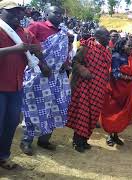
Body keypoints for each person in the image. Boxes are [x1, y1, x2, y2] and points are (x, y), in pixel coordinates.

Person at [20, 6, 71, 156]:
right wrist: (42, 65)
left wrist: (65, 63)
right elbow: (26, 48)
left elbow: (63, 53)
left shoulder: (63, 32)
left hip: (57, 77)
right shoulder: (36, 26)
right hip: (39, 76)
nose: (60, 15)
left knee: (54, 107)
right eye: (56, 12)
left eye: (62, 13)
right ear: (46, 13)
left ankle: (44, 140)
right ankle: (26, 141)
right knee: (33, 108)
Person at [0, 0, 44, 170]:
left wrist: (34, 49)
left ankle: (3, 156)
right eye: (12, 11)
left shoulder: (24, 33)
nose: (18, 15)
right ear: (1, 12)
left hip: (16, 88)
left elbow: (38, 49)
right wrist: (15, 49)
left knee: (11, 124)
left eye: (20, 12)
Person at [66, 28, 111, 153]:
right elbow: (74, 62)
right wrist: (83, 70)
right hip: (85, 88)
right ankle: (77, 142)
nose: (109, 38)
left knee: (93, 115)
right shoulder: (86, 47)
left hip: (99, 90)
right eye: (106, 36)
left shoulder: (107, 52)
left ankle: (85, 140)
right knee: (83, 114)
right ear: (99, 36)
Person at [100, 38, 132, 146]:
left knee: (121, 114)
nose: (131, 49)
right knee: (112, 112)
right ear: (122, 46)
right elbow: (115, 74)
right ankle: (109, 135)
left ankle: (116, 135)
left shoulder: (131, 58)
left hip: (126, 92)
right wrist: (131, 78)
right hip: (115, 90)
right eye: (129, 46)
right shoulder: (116, 57)